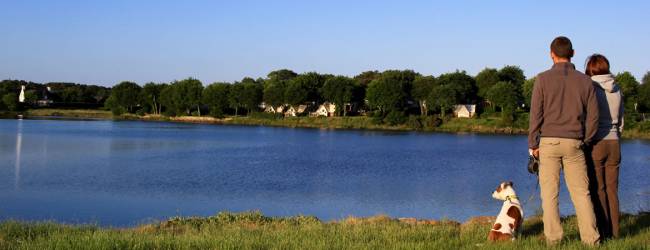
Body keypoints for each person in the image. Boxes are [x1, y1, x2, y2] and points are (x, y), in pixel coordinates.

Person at [528, 36, 601, 245]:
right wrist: (585, 140)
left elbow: (536, 115)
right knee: (581, 194)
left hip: (548, 143)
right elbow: (594, 117)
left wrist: (533, 144)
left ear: (551, 54)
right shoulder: (585, 81)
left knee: (550, 195)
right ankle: (591, 239)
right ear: (573, 53)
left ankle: (554, 239)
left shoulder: (542, 79)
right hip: (575, 142)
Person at [584, 54, 624, 239]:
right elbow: (621, 120)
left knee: (598, 189)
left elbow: (588, 118)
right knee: (612, 190)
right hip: (615, 142)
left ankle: (603, 231)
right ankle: (615, 233)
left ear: (591, 69)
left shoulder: (591, 88)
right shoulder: (617, 89)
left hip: (597, 142)